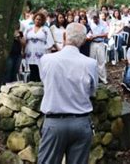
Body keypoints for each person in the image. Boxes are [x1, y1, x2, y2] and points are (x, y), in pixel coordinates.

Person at [38, 22, 98, 164]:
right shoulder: (90, 63)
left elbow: (45, 82)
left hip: (54, 123)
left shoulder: (47, 60)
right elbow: (92, 91)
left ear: (64, 36)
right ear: (83, 41)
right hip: (81, 122)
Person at [23, 12, 55, 82]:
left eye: (40, 19)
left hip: (41, 53)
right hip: (30, 52)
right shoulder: (29, 28)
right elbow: (24, 39)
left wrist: (45, 51)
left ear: (42, 20)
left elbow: (50, 42)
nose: (38, 21)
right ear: (34, 19)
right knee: (32, 69)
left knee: (40, 70)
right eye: (37, 19)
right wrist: (23, 50)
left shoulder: (45, 29)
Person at [88, 14, 109, 84]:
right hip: (93, 43)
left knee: (101, 61)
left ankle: (103, 78)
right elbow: (89, 31)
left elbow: (106, 34)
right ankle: (92, 78)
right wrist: (90, 35)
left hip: (100, 43)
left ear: (98, 18)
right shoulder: (90, 22)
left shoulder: (103, 23)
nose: (95, 20)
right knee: (92, 60)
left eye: (96, 19)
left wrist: (97, 35)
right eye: (94, 19)